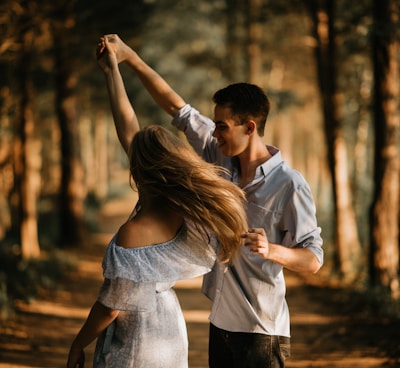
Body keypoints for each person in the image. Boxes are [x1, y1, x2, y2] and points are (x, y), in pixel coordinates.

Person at [100, 34, 324, 368]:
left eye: (221, 126)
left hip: (261, 330)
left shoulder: (289, 184)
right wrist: (130, 59)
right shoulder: (218, 156)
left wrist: (271, 250)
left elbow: (314, 259)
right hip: (219, 322)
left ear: (249, 127)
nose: (213, 134)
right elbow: (177, 107)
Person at [66, 39, 248, 368]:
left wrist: (78, 344)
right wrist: (112, 72)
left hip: (138, 341)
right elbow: (128, 127)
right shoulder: (189, 213)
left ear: (138, 169)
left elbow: (112, 306)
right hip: (170, 330)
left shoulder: (133, 232)